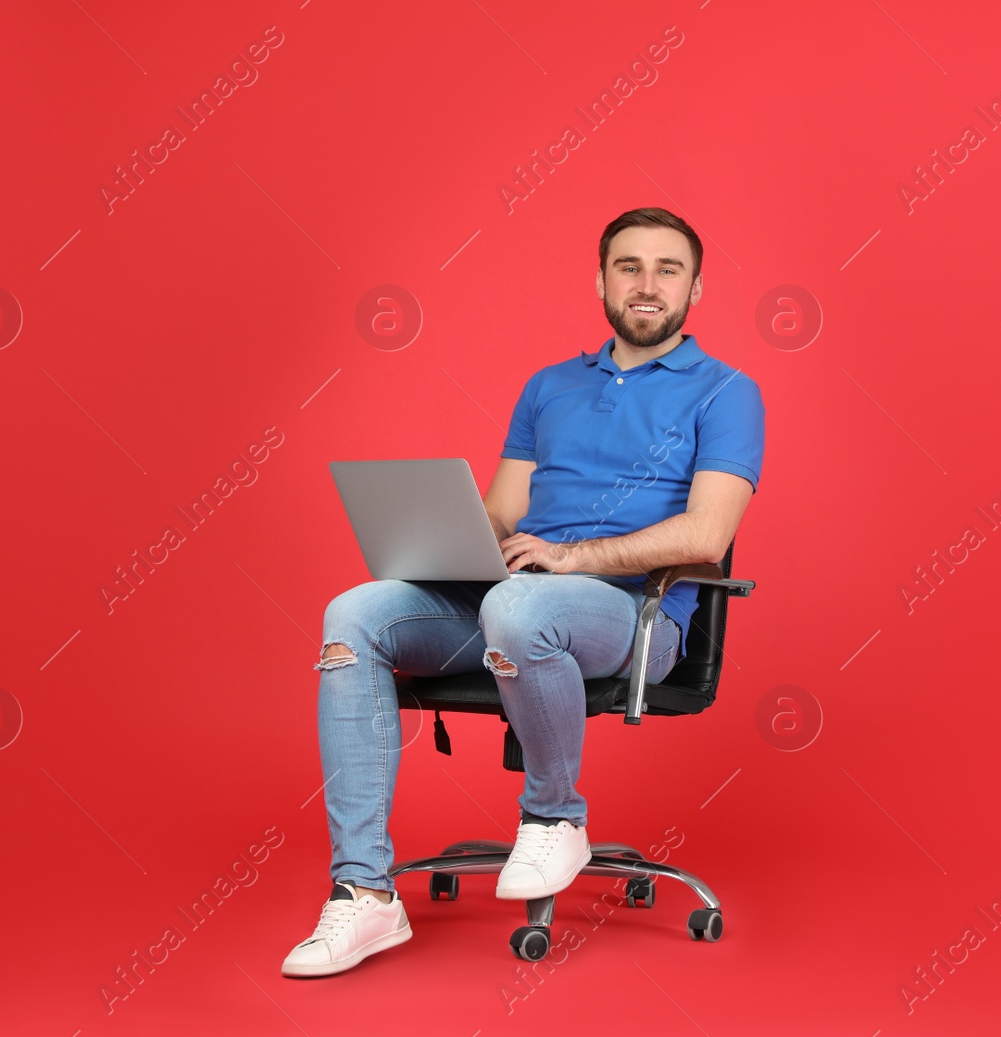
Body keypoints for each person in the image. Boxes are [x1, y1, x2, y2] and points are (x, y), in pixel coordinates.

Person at [282, 206, 766, 976]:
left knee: (519, 603)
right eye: (628, 266)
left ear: (696, 288)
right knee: (355, 612)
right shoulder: (549, 387)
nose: (646, 284)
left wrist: (572, 559)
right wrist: (441, 533)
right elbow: (504, 512)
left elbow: (707, 535)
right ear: (600, 280)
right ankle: (364, 894)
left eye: (667, 269)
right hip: (521, 597)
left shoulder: (727, 391)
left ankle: (554, 816)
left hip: (635, 615)